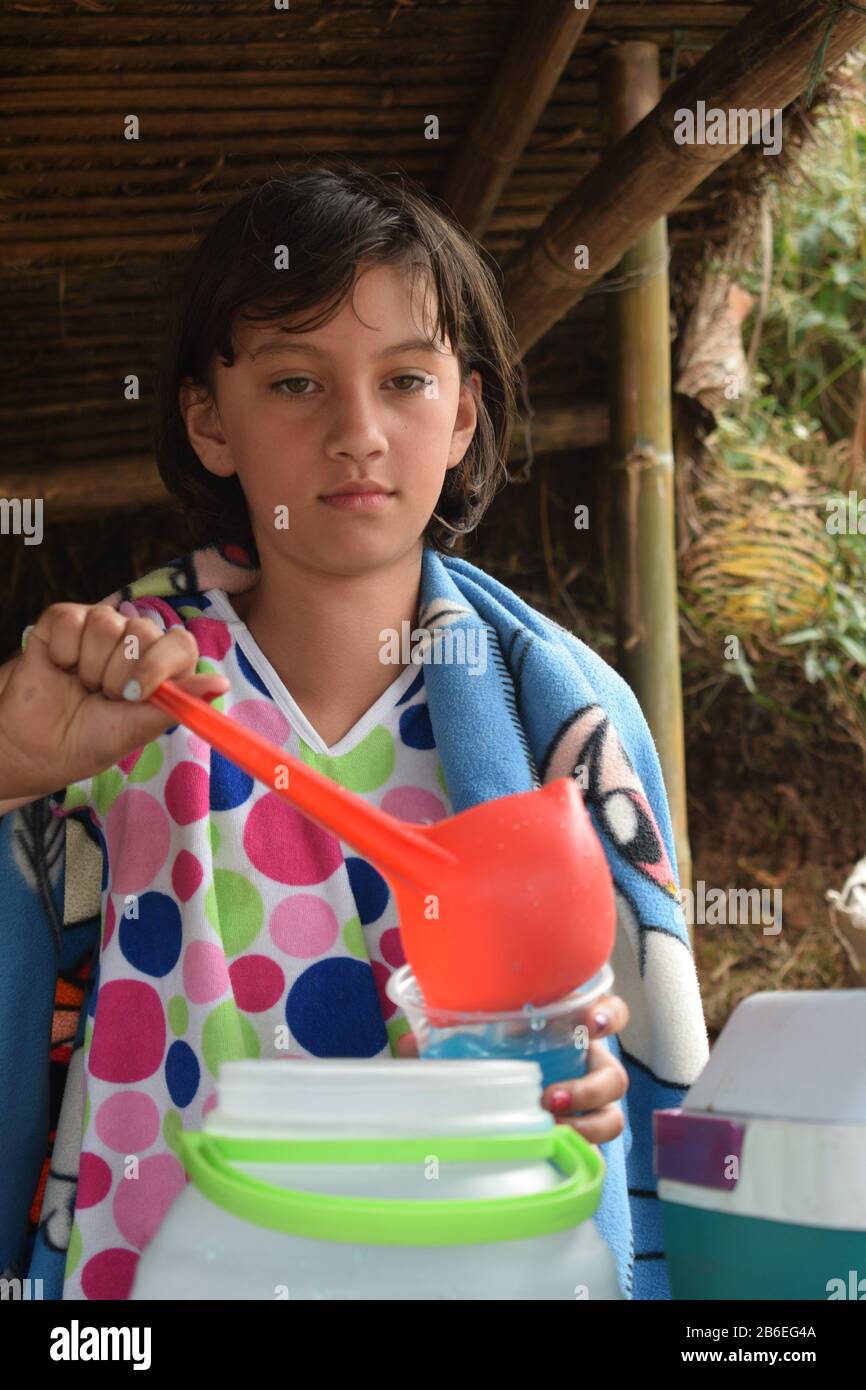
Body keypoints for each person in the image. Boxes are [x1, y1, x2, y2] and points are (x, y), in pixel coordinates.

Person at [0, 158, 708, 1301]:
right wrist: (9, 771)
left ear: (463, 410)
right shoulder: (114, 693)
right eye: (292, 383)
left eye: (407, 380)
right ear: (207, 418)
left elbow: (635, 1078)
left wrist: (590, 1101)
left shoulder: (562, 723)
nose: (357, 432)